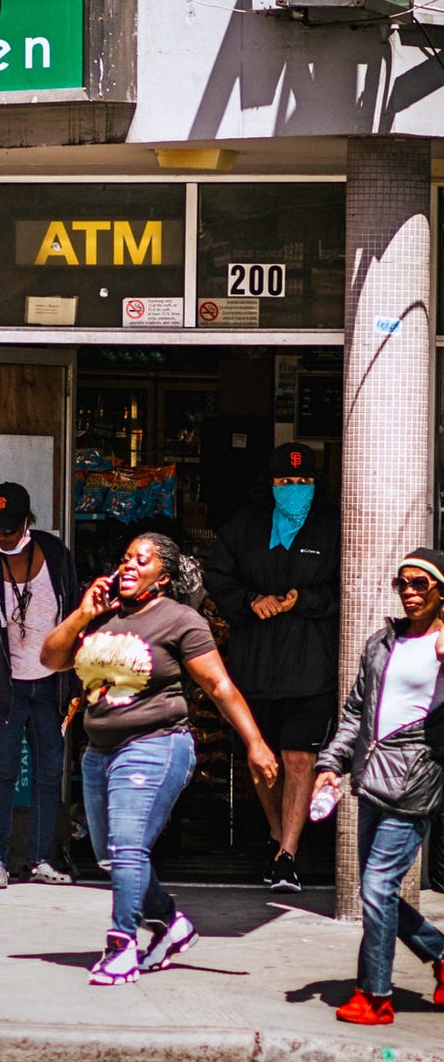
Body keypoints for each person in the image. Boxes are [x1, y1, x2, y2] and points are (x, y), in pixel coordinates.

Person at [41, 532, 278, 986]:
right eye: (125, 558)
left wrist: (255, 743)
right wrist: (82, 613)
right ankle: (171, 925)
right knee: (112, 857)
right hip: (99, 752)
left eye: (141, 560)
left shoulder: (181, 620)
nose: (128, 566)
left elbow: (219, 687)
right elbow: (51, 658)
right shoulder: (100, 616)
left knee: (128, 848)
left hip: (157, 744)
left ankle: (121, 945)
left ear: (164, 577)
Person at [312, 548, 444, 1026]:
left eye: (421, 584)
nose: (409, 592)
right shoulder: (381, 643)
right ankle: (440, 955)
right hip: (369, 780)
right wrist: (331, 764)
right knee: (379, 891)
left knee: (377, 886)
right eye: (402, 583)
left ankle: (375, 994)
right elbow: (354, 713)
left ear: (441, 593)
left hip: (415, 782)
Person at [203, 440, 340, 894]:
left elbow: (351, 590)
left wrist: (309, 600)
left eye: (303, 482)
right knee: (264, 763)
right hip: (255, 667)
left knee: (300, 758)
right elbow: (218, 579)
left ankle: (287, 855)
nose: (295, 489)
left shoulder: (332, 528)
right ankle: (278, 836)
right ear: (272, 484)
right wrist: (249, 601)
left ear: (315, 485)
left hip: (310, 668)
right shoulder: (244, 527)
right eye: (286, 481)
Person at [0, 482, 79, 888]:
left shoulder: (57, 555)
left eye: (10, 529)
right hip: (4, 687)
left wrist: (77, 680)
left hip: (50, 684)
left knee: (49, 772)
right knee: (2, 772)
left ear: (28, 522)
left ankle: (43, 858)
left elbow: (76, 614)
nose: (3, 537)